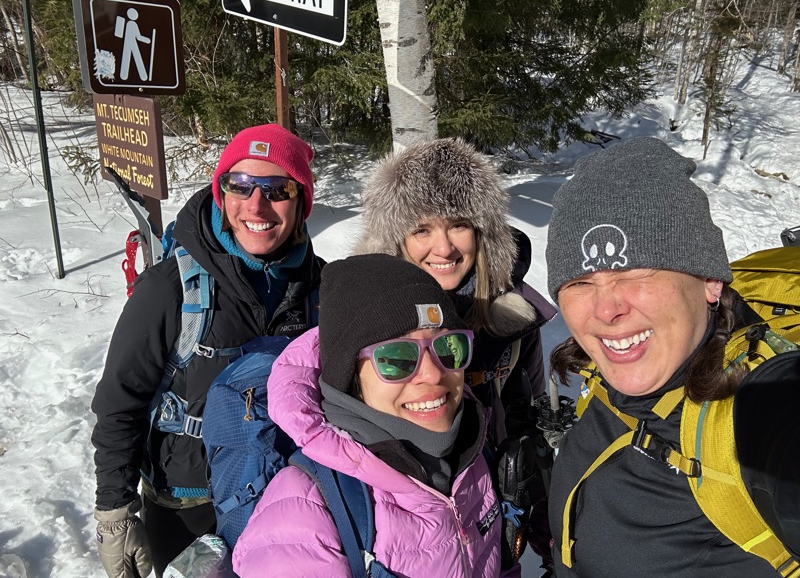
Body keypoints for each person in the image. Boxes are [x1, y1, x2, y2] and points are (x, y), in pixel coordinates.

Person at [545, 136, 798, 576]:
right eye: (580, 282)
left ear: (710, 281)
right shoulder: (605, 382)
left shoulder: (762, 406)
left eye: (634, 272)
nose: (606, 310)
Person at [91, 124, 324, 578]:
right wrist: (115, 512)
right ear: (221, 192)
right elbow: (120, 402)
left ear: (302, 202)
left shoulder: (321, 288)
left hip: (288, 498)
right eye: (240, 185)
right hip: (188, 507)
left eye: (278, 189)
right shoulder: (172, 289)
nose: (256, 205)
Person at [232, 253, 518, 577]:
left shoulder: (474, 451)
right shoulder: (306, 514)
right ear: (349, 377)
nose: (433, 374)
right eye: (396, 358)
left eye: (449, 347)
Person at [355, 137, 557, 569]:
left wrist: (545, 528)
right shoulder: (364, 318)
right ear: (395, 239)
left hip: (494, 522)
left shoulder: (510, 320)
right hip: (399, 538)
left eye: (459, 225)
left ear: (483, 233)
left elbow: (525, 419)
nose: (444, 248)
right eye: (421, 229)